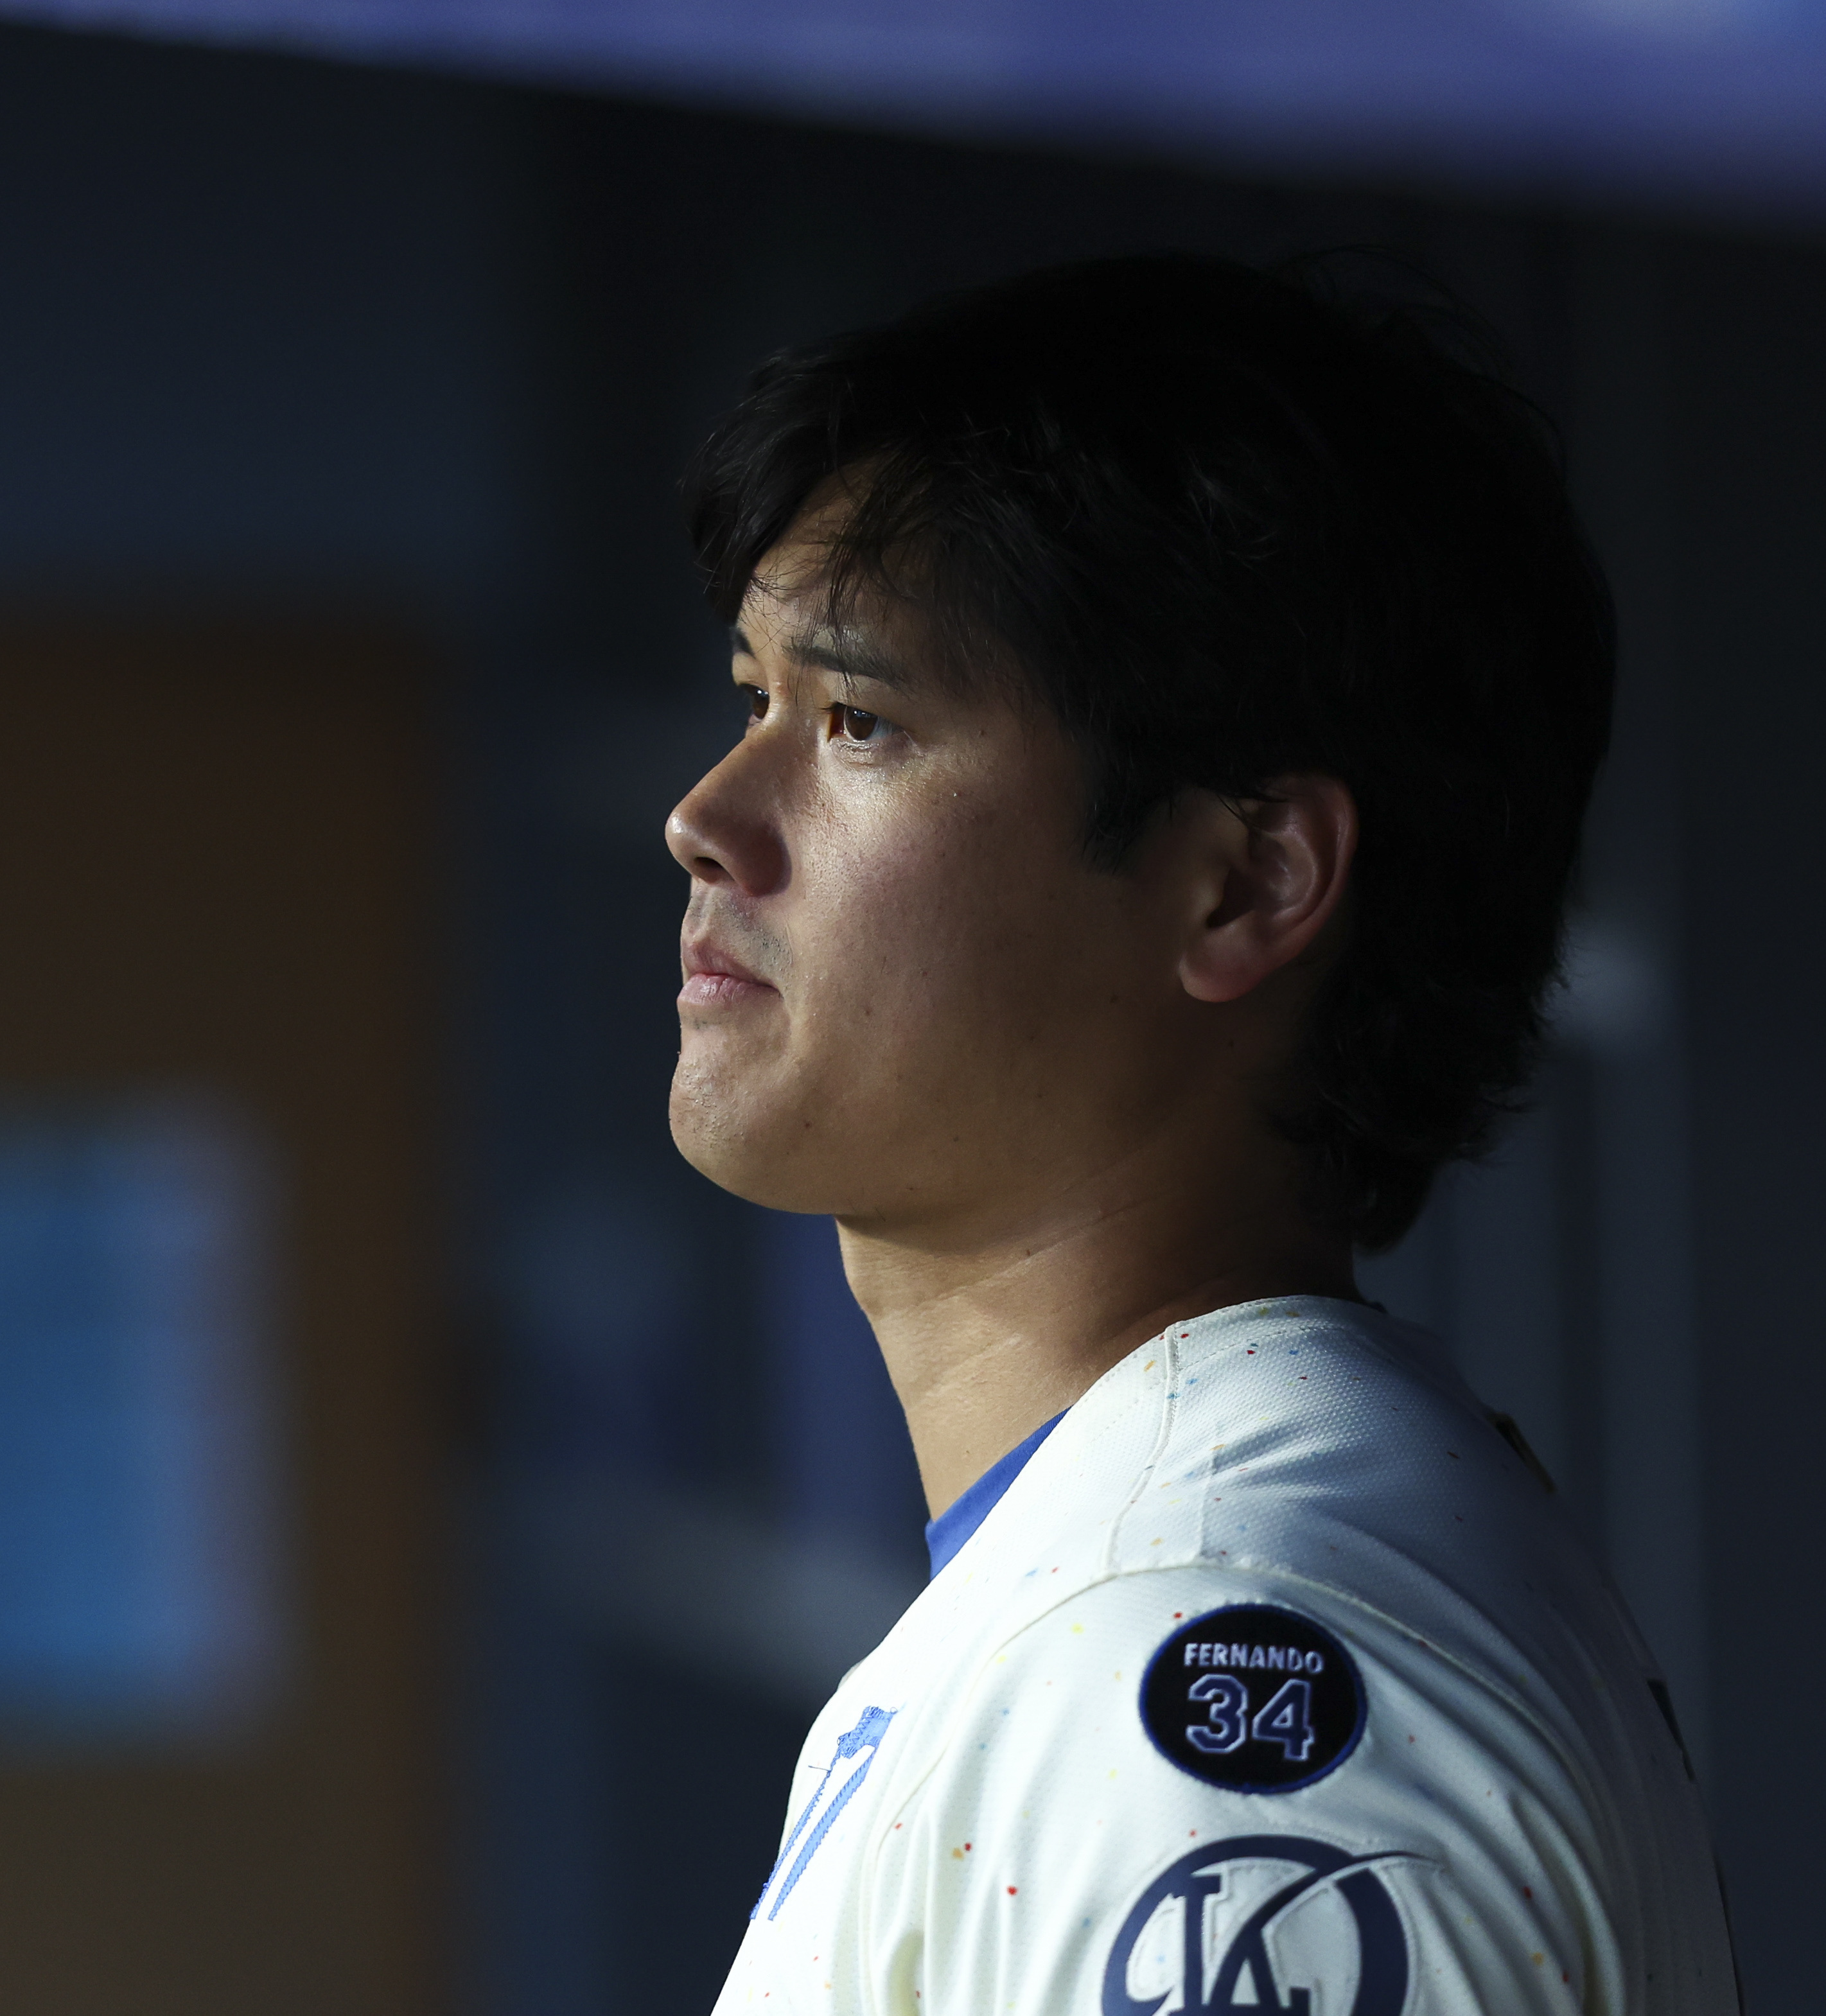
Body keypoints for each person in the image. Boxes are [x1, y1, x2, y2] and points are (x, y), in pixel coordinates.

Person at [664, 256, 1737, 2015]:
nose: (705, 818)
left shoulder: (1207, 1656)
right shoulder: (1137, 1575)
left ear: (1242, 880)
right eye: (749, 699)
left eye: (857, 722)